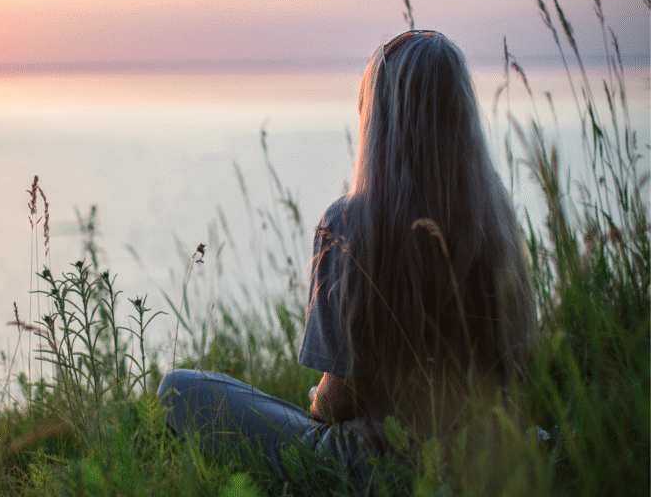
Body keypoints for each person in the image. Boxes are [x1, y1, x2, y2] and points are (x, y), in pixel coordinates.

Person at [157, 30, 537, 490]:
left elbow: (337, 404)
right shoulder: (495, 218)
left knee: (183, 389)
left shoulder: (351, 224)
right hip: (488, 456)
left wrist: (319, 399)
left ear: (379, 119)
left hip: (379, 469)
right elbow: (518, 371)